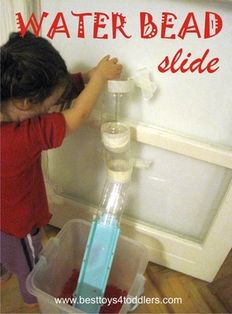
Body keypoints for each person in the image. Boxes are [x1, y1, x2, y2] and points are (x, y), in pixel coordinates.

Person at [0, 31, 122, 307]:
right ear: (26, 104)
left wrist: (86, 77)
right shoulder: (21, 138)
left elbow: (54, 94)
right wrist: (100, 79)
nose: (54, 106)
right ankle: (34, 297)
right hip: (16, 223)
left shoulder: (10, 100)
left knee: (4, 252)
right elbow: (78, 115)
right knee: (30, 262)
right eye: (50, 103)